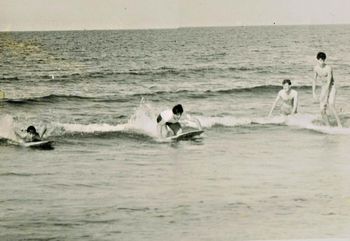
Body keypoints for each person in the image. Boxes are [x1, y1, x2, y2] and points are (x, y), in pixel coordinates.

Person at [312, 52, 342, 127]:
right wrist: (313, 92)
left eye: (322, 60)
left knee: (331, 104)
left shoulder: (328, 68)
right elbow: (314, 80)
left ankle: (339, 124)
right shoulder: (316, 68)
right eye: (319, 60)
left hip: (331, 87)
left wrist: (325, 95)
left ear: (324, 60)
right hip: (324, 87)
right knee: (322, 110)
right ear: (317, 60)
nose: (321, 62)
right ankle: (328, 126)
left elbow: (329, 82)